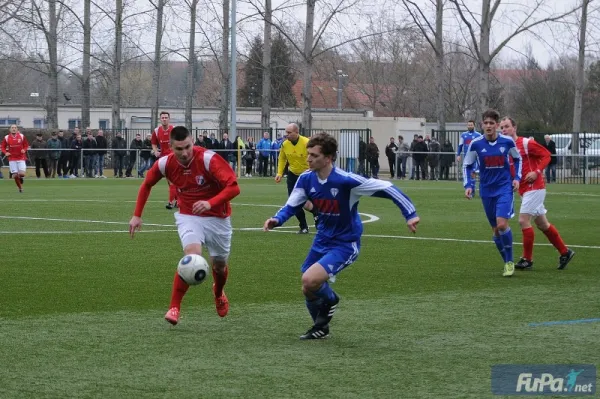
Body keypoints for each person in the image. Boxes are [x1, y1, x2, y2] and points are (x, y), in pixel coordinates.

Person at [263, 133, 419, 339]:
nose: (308, 159)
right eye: (308, 154)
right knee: (307, 288)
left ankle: (332, 301)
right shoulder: (306, 178)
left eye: (314, 155)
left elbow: (387, 187)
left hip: (345, 243)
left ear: (328, 158)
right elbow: (292, 205)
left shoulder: (346, 181)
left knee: (309, 280)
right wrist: (277, 220)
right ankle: (320, 328)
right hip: (322, 240)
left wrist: (410, 214)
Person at [129, 126, 241, 325]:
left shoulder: (208, 159)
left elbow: (233, 187)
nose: (185, 153)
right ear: (171, 147)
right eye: (179, 149)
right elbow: (147, 184)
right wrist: (136, 215)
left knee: (219, 266)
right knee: (192, 256)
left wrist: (210, 203)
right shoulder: (165, 164)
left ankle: (218, 292)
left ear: (193, 142)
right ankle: (174, 307)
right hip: (189, 216)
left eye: (188, 147)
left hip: (218, 218)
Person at [500, 117, 575, 270]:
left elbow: (546, 155)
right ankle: (565, 252)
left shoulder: (526, 143)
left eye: (506, 127)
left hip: (535, 187)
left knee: (523, 220)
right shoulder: (505, 147)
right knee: (542, 223)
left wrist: (537, 171)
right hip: (524, 189)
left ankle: (527, 259)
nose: (503, 130)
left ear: (515, 127)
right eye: (501, 128)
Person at [463, 109, 521, 277]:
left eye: (491, 123)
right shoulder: (476, 144)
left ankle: (510, 261)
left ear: (496, 125)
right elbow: (467, 165)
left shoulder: (507, 142)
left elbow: (517, 159)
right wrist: (469, 185)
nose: (488, 126)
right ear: (482, 125)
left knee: (502, 224)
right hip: (486, 190)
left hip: (504, 188)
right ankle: (506, 261)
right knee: (496, 230)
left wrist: (516, 177)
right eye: (485, 123)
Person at [274, 123, 316, 234]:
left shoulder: (306, 143)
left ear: (297, 132)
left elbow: (316, 157)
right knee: (293, 201)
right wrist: (279, 173)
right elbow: (282, 159)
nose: (286, 134)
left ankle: (317, 215)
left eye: (289, 132)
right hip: (293, 174)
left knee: (313, 199)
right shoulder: (285, 144)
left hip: (308, 174)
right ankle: (303, 227)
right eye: (286, 132)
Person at [151, 111, 177, 209]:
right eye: (163, 117)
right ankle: (178, 201)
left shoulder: (174, 130)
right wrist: (155, 151)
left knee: (172, 181)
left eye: (166, 117)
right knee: (172, 181)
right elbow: (153, 143)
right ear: (160, 119)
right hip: (163, 159)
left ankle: (171, 202)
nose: (164, 119)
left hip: (174, 158)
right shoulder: (157, 131)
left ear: (169, 119)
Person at [1, 124, 29, 192]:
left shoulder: (21, 136)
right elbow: (2, 147)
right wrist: (5, 152)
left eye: (15, 128)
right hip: (12, 159)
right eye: (12, 128)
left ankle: (21, 177)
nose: (14, 129)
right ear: (10, 129)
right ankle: (20, 188)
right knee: (15, 176)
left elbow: (26, 145)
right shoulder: (7, 137)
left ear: (17, 129)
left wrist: (24, 150)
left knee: (22, 174)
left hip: (21, 158)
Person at [457, 120, 482, 193]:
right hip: (466, 158)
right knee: (467, 173)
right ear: (467, 126)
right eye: (469, 125)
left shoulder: (478, 135)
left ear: (474, 125)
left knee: (473, 173)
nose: (470, 126)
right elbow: (460, 145)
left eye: (471, 125)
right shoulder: (463, 135)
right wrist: (458, 155)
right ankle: (470, 187)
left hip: (475, 158)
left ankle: (472, 188)